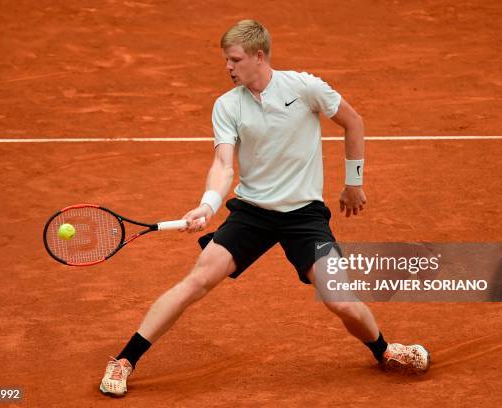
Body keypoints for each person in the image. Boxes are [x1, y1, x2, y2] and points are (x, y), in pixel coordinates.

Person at [99, 19, 430, 397]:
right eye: (226, 60)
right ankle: (124, 360)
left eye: (235, 60)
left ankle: (386, 351)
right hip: (252, 211)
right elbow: (224, 164)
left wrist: (353, 182)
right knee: (197, 281)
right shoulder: (227, 105)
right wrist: (208, 204)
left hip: (303, 214)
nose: (228, 67)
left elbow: (353, 122)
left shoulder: (304, 88)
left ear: (259, 57)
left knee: (341, 301)